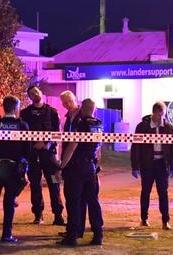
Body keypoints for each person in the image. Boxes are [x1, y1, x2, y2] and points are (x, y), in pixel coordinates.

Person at [0, 95, 30, 242]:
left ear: (4, 107)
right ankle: (7, 234)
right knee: (9, 203)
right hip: (13, 169)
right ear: (16, 108)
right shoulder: (22, 126)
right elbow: (27, 151)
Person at [58, 98, 103, 247]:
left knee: (73, 202)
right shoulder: (98, 125)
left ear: (82, 109)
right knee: (93, 201)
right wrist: (96, 166)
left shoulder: (80, 124)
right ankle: (98, 234)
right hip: (91, 167)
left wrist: (62, 166)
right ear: (94, 109)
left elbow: (72, 147)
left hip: (77, 167)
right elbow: (99, 150)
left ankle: (72, 236)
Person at [20, 86, 65, 225]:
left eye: (36, 92)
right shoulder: (25, 113)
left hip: (49, 155)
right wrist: (33, 145)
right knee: (35, 184)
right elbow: (23, 134)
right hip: (33, 155)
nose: (35, 94)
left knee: (54, 183)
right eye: (31, 93)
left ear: (41, 93)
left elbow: (57, 132)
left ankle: (58, 215)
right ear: (30, 97)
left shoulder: (52, 112)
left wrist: (46, 144)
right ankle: (38, 214)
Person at [130, 101, 173, 229]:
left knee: (163, 192)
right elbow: (135, 147)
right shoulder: (142, 127)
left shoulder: (168, 127)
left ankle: (165, 221)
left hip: (162, 164)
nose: (162, 118)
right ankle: (144, 219)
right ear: (154, 113)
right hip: (147, 164)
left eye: (163, 115)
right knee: (145, 192)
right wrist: (135, 166)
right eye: (160, 115)